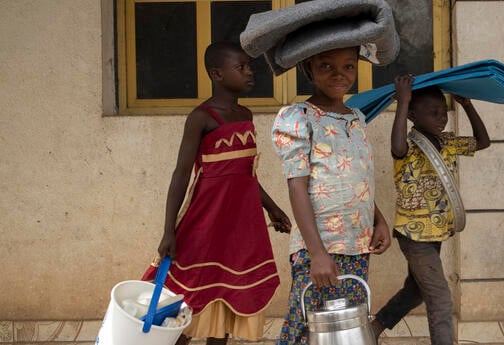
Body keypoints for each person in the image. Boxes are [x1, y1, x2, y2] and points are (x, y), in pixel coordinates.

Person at [146, 41, 292, 345]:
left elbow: (245, 174)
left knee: (226, 297)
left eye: (249, 66)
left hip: (238, 226)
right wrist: (168, 231)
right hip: (205, 222)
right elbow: (181, 175)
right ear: (217, 74)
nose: (250, 72)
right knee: (188, 302)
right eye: (241, 67)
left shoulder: (246, 115)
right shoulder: (201, 117)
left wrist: (271, 207)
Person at [272, 46, 392, 345]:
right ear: (309, 69)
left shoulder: (357, 117)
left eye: (348, 66)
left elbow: (356, 179)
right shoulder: (298, 118)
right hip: (321, 246)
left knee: (345, 330)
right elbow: (296, 187)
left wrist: (379, 220)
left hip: (357, 244)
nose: (340, 74)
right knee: (304, 327)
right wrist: (317, 254)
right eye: (327, 66)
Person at [371, 76, 491, 345]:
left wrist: (467, 105)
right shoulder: (409, 147)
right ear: (412, 115)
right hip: (413, 237)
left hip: (435, 234)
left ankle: (373, 329)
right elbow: (396, 146)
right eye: (433, 112)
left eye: (443, 112)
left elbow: (483, 142)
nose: (441, 118)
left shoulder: (447, 142)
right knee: (440, 297)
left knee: (415, 292)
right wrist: (402, 101)